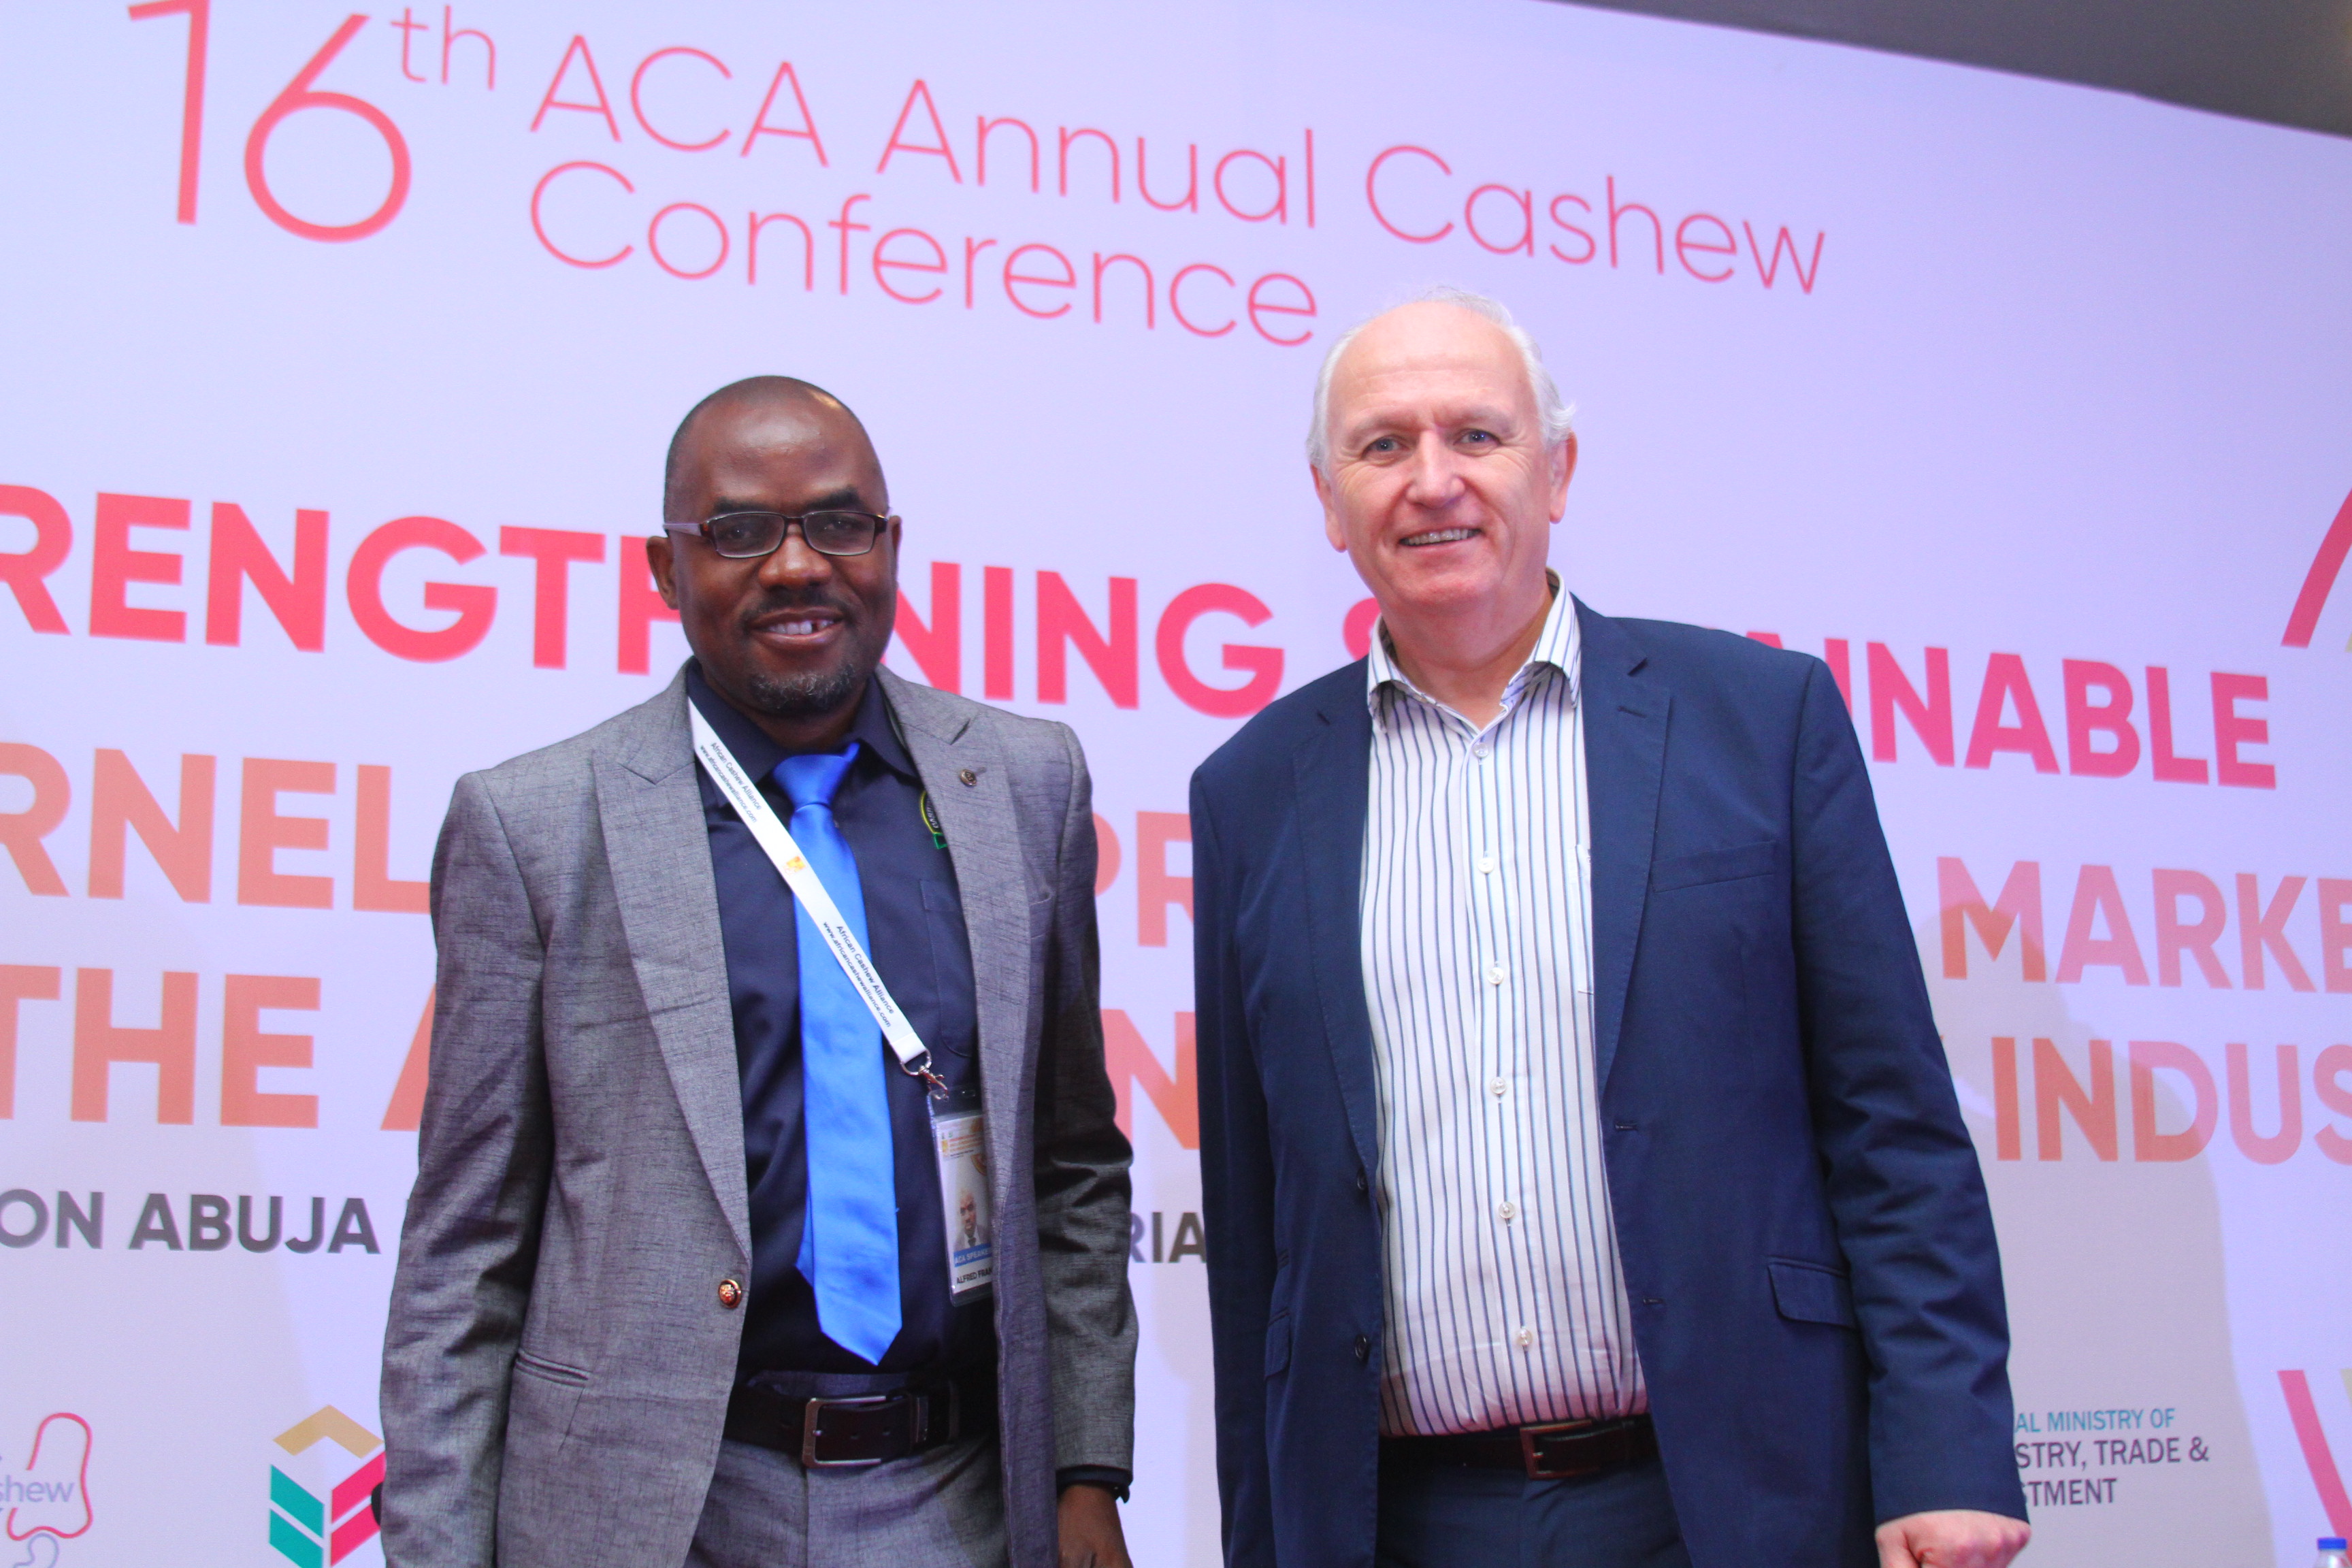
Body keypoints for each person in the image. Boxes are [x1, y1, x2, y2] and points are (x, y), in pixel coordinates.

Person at [1189, 291, 2030, 1568]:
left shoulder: (1762, 721)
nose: (1432, 481)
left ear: (1559, 470)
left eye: (1478, 435)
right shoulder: (1250, 792)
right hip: (1399, 1523)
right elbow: (1255, 1231)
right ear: (1328, 501)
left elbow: (1893, 1130)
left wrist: (1946, 1459)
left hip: (1735, 1501)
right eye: (1383, 445)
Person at [380, 377, 1136, 1568]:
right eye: (738, 530)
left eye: (838, 523)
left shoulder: (1026, 787)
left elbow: (1071, 1161)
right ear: (664, 569)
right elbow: (465, 1248)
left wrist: (1085, 1470)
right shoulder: (536, 825)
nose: (796, 565)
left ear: (890, 547)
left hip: (963, 1500)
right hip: (652, 1511)